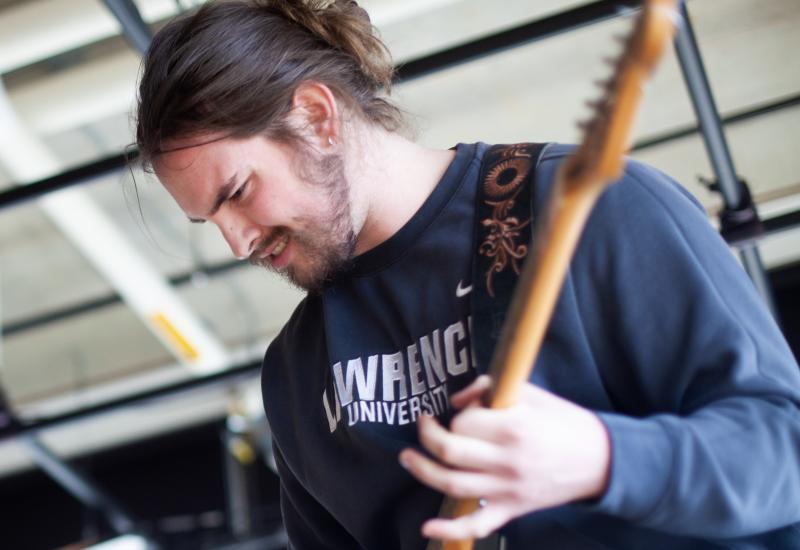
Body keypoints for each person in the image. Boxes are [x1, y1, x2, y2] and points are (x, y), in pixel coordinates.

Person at [134, 1, 800, 548]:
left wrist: (604, 458)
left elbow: (785, 454)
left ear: (315, 116)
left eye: (239, 192)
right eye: (209, 223)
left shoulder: (591, 209)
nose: (237, 242)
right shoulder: (295, 377)